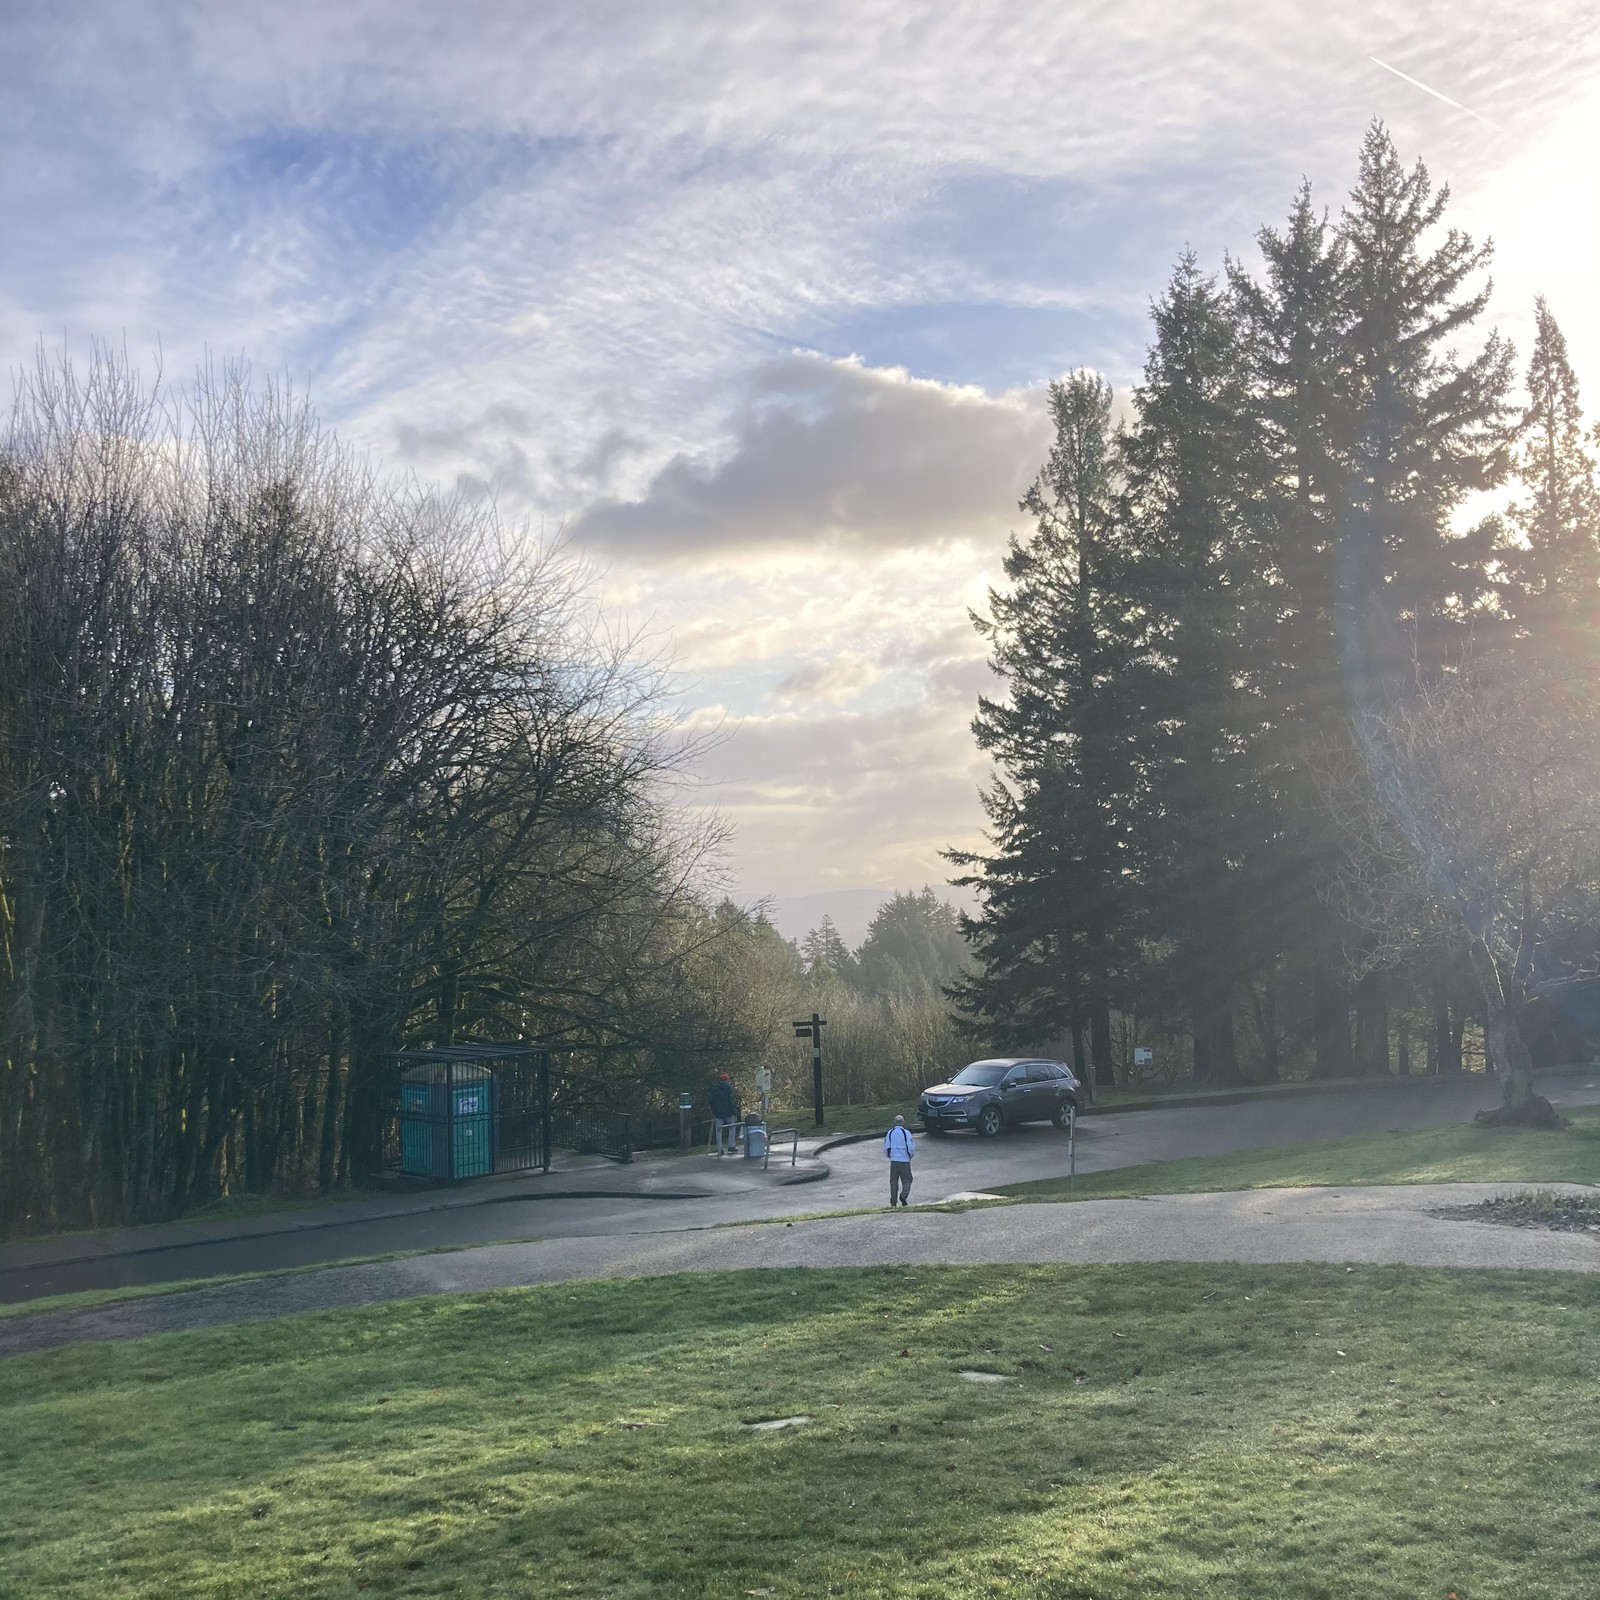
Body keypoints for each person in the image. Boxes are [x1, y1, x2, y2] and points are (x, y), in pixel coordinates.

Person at [883, 1114, 916, 1206]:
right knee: (907, 1179)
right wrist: (910, 1156)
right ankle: (904, 1195)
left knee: (893, 1181)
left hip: (894, 1160)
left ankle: (893, 1201)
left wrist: (890, 1156)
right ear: (903, 1122)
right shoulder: (906, 1133)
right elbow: (911, 1147)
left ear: (895, 1122)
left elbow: (886, 1147)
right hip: (904, 1160)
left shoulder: (890, 1132)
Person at [709, 1071, 738, 1156]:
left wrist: (714, 1111)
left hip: (718, 1113)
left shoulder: (714, 1089)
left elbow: (711, 1101)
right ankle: (731, 1146)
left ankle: (720, 1148)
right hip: (729, 1112)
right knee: (732, 1128)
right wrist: (734, 1112)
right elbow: (732, 1101)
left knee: (718, 1130)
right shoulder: (729, 1088)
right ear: (727, 1080)